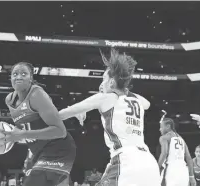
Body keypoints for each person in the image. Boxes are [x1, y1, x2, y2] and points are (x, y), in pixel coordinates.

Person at [59, 49, 161, 186]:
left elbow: (62, 114)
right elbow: (147, 104)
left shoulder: (105, 98)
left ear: (112, 82)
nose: (101, 84)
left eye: (103, 79)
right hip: (149, 163)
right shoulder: (136, 100)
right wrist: (122, 89)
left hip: (126, 161)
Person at [0, 62, 76, 186]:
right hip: (38, 152)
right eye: (15, 74)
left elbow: (60, 131)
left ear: (31, 78)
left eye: (24, 74)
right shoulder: (9, 100)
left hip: (58, 148)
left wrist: (21, 135)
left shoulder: (36, 95)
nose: (19, 77)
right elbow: (29, 130)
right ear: (10, 78)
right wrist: (13, 136)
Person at [158, 117, 196, 186]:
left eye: (161, 127)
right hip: (183, 172)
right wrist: (191, 176)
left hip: (171, 171)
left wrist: (157, 168)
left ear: (168, 126)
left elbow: (164, 153)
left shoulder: (164, 137)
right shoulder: (182, 139)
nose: (160, 129)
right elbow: (189, 159)